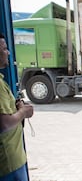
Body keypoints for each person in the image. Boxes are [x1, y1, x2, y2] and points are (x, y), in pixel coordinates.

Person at [0, 33, 34, 181]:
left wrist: (16, 107)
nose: (8, 52)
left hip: (13, 158)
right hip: (9, 161)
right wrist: (23, 111)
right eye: (4, 49)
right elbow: (4, 123)